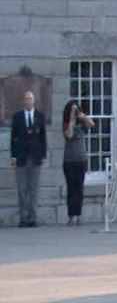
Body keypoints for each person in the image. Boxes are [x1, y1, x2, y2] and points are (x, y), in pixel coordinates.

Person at [10, 91, 47, 228]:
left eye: (30, 99)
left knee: (33, 189)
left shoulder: (39, 116)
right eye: (26, 99)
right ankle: (23, 218)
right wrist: (13, 155)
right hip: (21, 157)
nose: (28, 101)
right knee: (22, 189)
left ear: (34, 101)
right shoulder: (17, 117)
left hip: (35, 157)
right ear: (23, 101)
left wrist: (43, 155)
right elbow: (13, 138)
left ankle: (33, 218)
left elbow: (43, 138)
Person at [62, 100, 95, 226]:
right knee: (71, 188)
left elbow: (92, 124)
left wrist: (82, 116)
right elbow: (69, 135)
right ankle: (71, 215)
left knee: (79, 188)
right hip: (69, 160)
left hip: (81, 160)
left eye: (75, 110)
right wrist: (71, 119)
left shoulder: (82, 125)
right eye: (72, 110)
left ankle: (79, 214)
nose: (74, 112)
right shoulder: (66, 124)